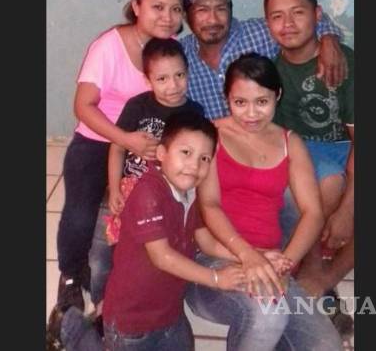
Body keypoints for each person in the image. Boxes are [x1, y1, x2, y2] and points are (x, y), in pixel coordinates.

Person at [47, 111, 248, 351]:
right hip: (132, 323)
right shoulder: (148, 194)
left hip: (169, 314)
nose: (194, 165)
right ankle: (71, 328)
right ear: (161, 153)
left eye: (204, 158)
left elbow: (207, 243)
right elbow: (162, 257)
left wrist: (251, 256)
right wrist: (217, 278)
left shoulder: (190, 193)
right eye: (186, 152)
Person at [52, 0, 187, 319]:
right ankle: (71, 276)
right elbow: (83, 106)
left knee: (151, 214)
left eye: (176, 9)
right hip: (99, 140)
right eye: (158, 7)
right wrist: (125, 139)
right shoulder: (109, 46)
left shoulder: (173, 49)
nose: (168, 17)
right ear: (136, 6)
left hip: (148, 148)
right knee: (82, 212)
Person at [185, 53, 343, 351]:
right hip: (215, 260)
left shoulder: (289, 142)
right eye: (240, 102)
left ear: (277, 95)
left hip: (272, 263)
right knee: (269, 315)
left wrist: (284, 264)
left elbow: (312, 212)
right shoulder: (210, 135)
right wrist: (248, 255)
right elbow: (210, 205)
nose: (251, 114)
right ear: (227, 99)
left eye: (262, 102)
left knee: (326, 346)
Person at [89, 37, 205, 318]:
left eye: (179, 75)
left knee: (147, 256)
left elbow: (196, 161)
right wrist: (114, 189)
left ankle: (150, 300)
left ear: (188, 72)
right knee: (101, 255)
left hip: (164, 197)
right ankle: (102, 307)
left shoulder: (194, 112)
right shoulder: (137, 106)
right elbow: (118, 148)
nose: (173, 85)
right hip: (127, 189)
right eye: (162, 78)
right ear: (148, 79)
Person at [264, 0, 354, 326]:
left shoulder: (343, 63)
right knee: (326, 184)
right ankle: (313, 272)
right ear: (267, 24)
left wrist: (347, 209)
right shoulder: (274, 73)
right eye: (277, 16)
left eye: (297, 13)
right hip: (307, 149)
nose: (287, 24)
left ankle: (323, 279)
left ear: (317, 15)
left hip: (347, 145)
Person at [180, 0, 348, 120]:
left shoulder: (259, 33)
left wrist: (329, 39)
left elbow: (307, 20)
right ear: (187, 16)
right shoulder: (180, 55)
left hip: (271, 139)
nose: (213, 19)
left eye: (221, 8)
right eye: (202, 10)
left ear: (230, 10)